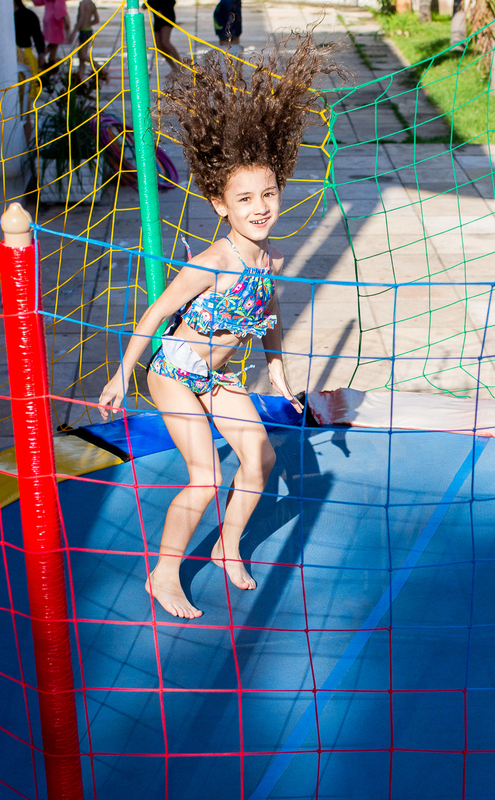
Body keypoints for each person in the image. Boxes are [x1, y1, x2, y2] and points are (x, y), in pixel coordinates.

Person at [97, 33, 346, 619]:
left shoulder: (268, 260)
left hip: (217, 377)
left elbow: (270, 314)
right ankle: (163, 573)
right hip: (173, 373)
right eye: (245, 198)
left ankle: (227, 546)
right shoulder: (212, 262)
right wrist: (120, 375)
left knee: (260, 459)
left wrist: (278, 369)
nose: (260, 207)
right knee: (206, 476)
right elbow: (156, 314)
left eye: (268, 194)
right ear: (221, 205)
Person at [32, 0, 69, 68]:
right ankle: (44, 61)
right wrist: (67, 23)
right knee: (54, 43)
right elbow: (59, 7)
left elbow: (38, 2)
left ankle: (49, 61)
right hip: (55, 19)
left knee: (53, 43)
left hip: (48, 18)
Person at [69, 0, 99, 79]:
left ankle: (100, 67)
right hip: (89, 30)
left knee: (82, 55)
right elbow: (97, 20)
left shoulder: (82, 4)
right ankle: (81, 78)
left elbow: (81, 18)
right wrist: (88, 23)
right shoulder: (92, 4)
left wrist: (74, 31)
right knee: (81, 57)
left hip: (84, 32)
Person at [148, 0, 181, 67]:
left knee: (165, 42)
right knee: (158, 46)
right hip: (158, 20)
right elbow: (150, 3)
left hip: (167, 17)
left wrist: (162, 12)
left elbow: (172, 2)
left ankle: (181, 64)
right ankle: (173, 66)